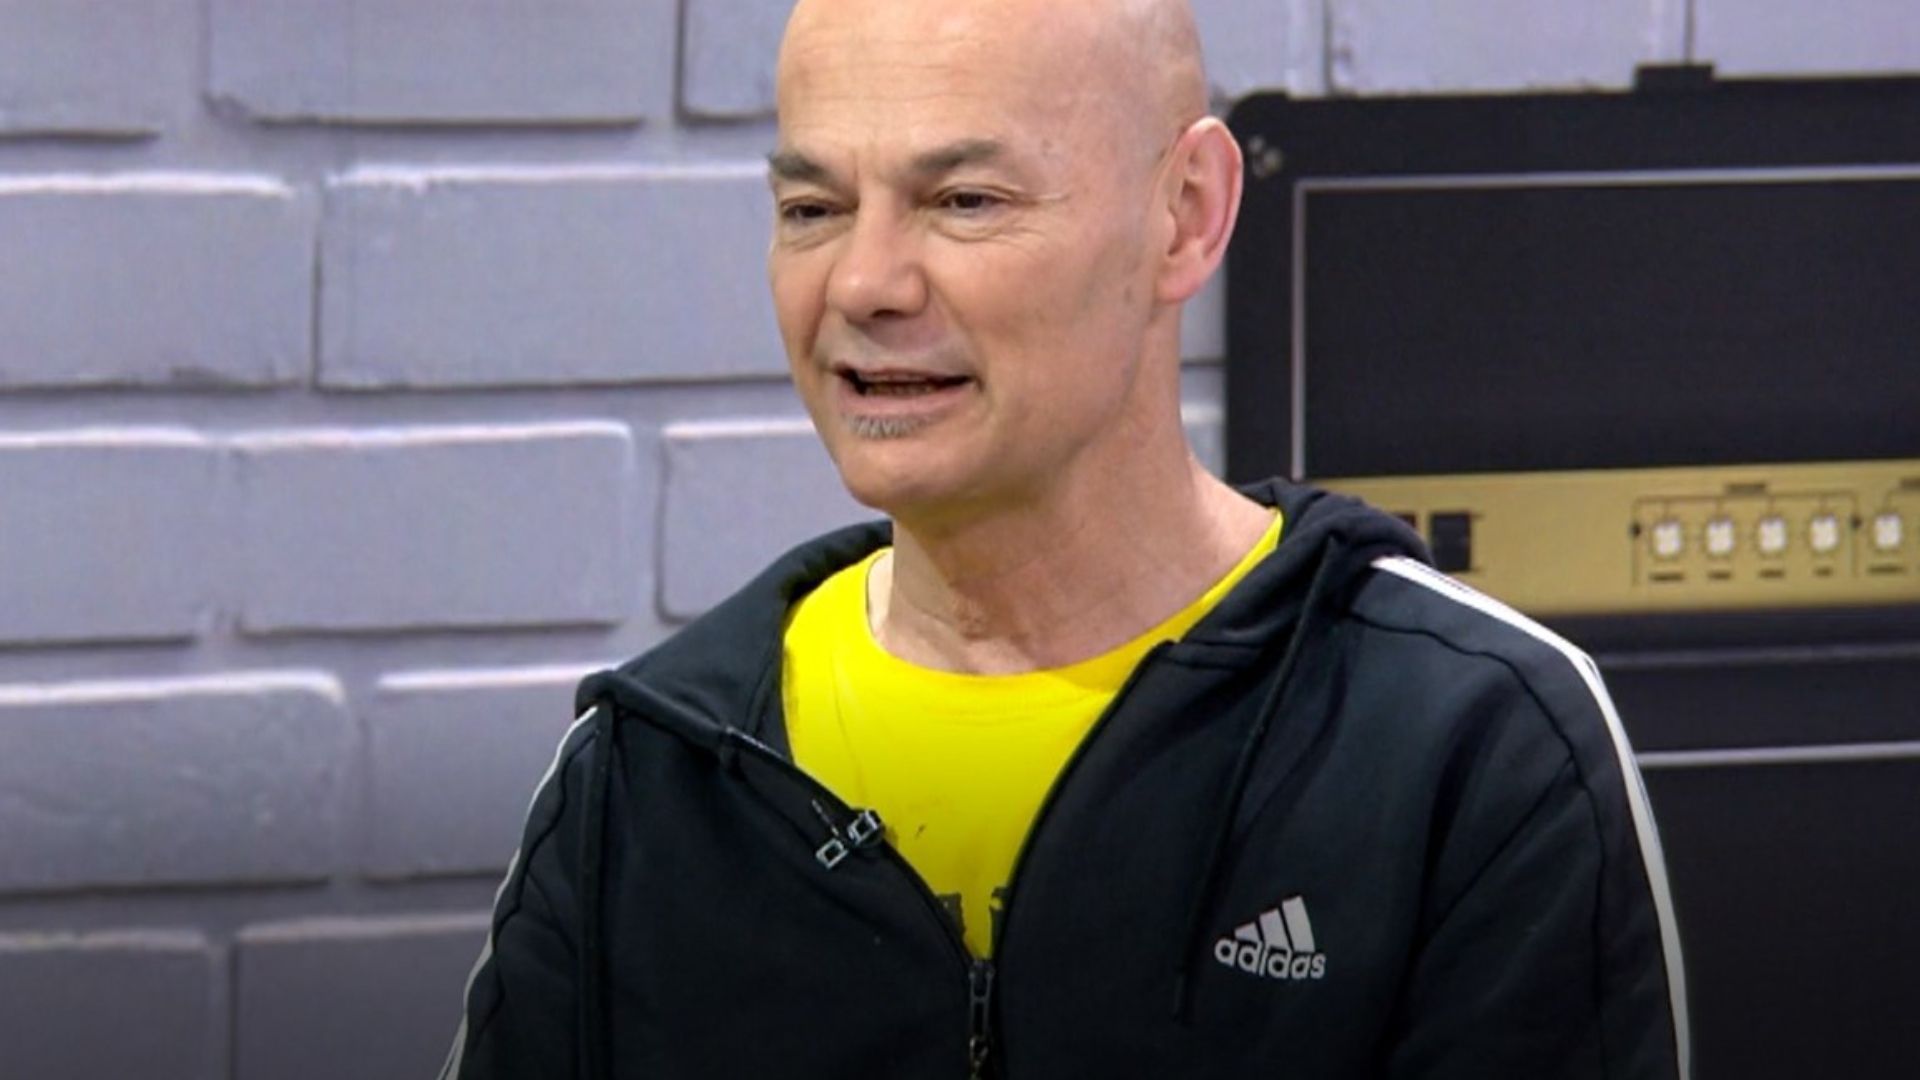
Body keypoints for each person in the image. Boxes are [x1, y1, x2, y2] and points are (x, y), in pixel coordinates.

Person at [441, 0, 1688, 1076]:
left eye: (963, 201)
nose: (864, 284)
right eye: (814, 207)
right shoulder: (651, 773)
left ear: (1185, 215)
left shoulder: (1462, 745)